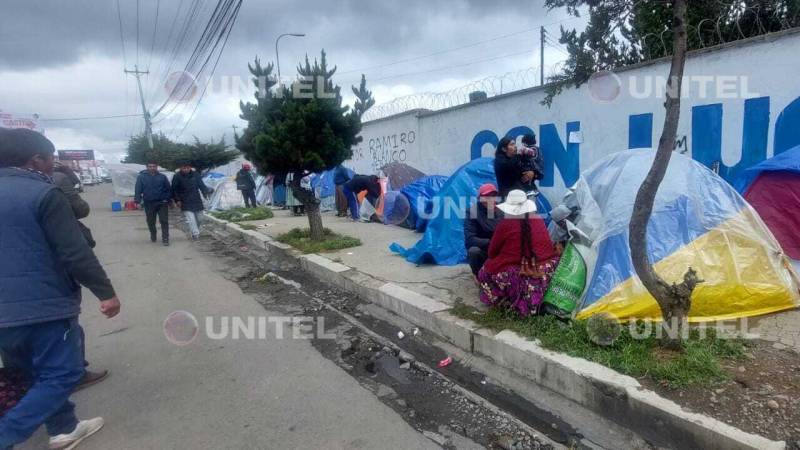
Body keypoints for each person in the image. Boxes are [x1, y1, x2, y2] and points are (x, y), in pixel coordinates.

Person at [0, 128, 121, 449]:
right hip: (43, 305)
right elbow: (74, 251)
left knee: (28, 374)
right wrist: (105, 292)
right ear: (36, 159)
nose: (53, 164)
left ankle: (64, 428)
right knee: (64, 373)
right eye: (51, 158)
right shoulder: (43, 193)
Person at [52, 162, 109, 390]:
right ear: (36, 159)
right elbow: (80, 210)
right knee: (64, 323)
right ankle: (72, 374)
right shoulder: (53, 183)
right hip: (49, 271)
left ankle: (25, 382)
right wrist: (105, 292)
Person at [477, 189, 560, 316]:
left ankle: (502, 300)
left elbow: (492, 252)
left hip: (523, 274)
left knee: (485, 271)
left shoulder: (505, 224)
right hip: (546, 271)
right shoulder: (538, 219)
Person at [464, 183, 503, 277]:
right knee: (474, 251)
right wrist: (490, 243)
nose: (491, 200)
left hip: (499, 248)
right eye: (487, 197)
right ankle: (477, 275)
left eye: (493, 196)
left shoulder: (502, 210)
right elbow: (470, 239)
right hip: (484, 248)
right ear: (480, 199)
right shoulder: (472, 212)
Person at [134, 162, 172, 246]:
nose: (152, 168)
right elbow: (138, 190)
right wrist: (138, 202)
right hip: (149, 203)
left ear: (157, 167)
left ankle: (165, 238)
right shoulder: (141, 177)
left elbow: (168, 189)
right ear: (147, 167)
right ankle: (153, 233)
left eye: (154, 166)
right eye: (150, 166)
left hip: (162, 202)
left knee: (164, 221)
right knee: (151, 221)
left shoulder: (162, 177)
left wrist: (167, 200)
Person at [172, 163, 211, 241]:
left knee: (200, 218)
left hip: (196, 199)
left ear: (190, 168)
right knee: (191, 219)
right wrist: (177, 200)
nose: (186, 169)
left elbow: (201, 185)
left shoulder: (195, 175)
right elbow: (174, 190)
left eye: (187, 168)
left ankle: (195, 230)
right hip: (185, 201)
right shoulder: (177, 176)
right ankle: (195, 234)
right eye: (184, 168)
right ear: (181, 168)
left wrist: (205, 193)